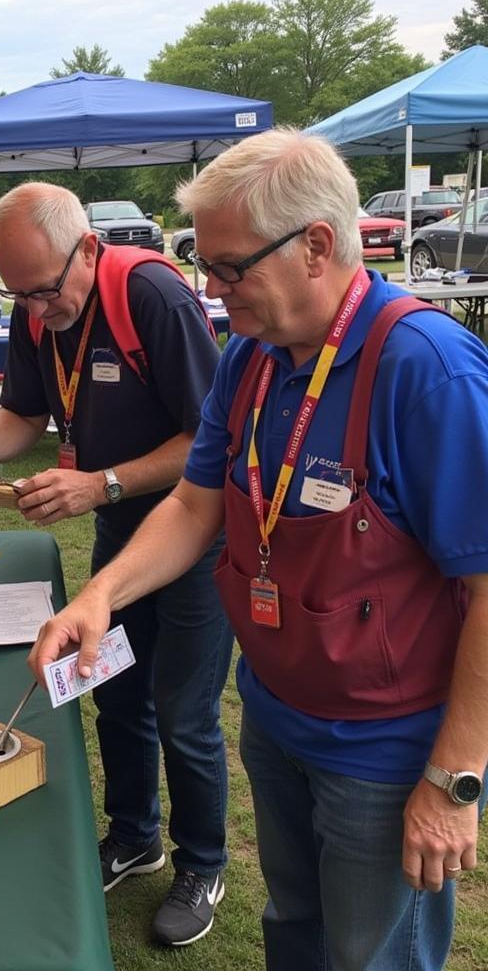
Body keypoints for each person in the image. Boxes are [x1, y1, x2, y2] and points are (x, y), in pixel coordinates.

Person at [30, 129, 488, 971]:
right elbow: (198, 503)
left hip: (385, 755)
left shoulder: (427, 370)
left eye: (230, 267)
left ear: (316, 245)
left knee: (368, 956)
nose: (211, 287)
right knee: (295, 931)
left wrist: (454, 781)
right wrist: (103, 594)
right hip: (276, 718)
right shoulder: (252, 356)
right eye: (205, 263)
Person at [0, 182, 233, 947]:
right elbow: (22, 412)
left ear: (88, 248)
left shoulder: (154, 297)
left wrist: (103, 482)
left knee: (183, 711)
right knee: (114, 689)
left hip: (197, 533)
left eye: (45, 290)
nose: (32, 308)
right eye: (15, 292)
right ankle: (135, 833)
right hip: (126, 534)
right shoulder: (36, 305)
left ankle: (203, 862)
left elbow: (207, 440)